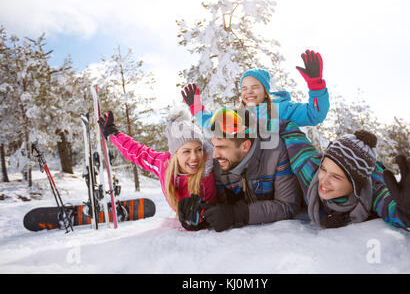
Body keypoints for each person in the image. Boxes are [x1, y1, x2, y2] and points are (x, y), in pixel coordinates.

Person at [280, 121, 410, 231]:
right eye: (324, 169)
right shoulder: (309, 168)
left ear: (356, 185)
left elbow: (395, 210)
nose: (324, 180)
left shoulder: (373, 193)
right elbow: (291, 131)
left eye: (336, 177)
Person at [181, 108, 303, 232]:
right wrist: (202, 215)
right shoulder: (220, 164)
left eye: (222, 147)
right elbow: (222, 206)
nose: (215, 155)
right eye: (214, 145)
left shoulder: (275, 153)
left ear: (245, 146)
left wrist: (238, 214)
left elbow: (288, 206)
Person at [98, 109, 217, 231]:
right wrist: (113, 133)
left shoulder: (208, 172)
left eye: (198, 149)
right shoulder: (163, 164)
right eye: (187, 151)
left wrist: (203, 217)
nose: (194, 157)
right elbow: (137, 152)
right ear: (175, 154)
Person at [181, 49, 330, 131]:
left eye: (255, 87)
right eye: (244, 88)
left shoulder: (281, 109)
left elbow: (314, 114)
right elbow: (209, 123)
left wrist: (316, 86)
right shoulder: (238, 114)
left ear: (265, 91)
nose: (249, 92)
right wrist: (196, 107)